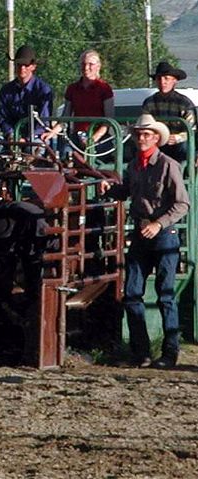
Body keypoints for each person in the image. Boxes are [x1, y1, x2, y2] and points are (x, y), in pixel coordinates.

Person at [100, 114, 189, 369]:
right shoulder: (134, 166)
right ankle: (141, 352)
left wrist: (158, 223)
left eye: (147, 134)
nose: (142, 138)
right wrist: (111, 189)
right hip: (142, 232)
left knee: (165, 295)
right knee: (132, 294)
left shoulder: (168, 165)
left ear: (156, 138)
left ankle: (169, 353)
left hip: (162, 233)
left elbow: (183, 203)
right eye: (139, 134)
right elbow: (127, 190)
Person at [42, 49, 114, 160]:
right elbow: (65, 118)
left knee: (92, 159)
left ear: (98, 66)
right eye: (83, 64)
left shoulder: (105, 89)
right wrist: (51, 133)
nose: (86, 68)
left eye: (90, 64)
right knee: (64, 156)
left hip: (99, 138)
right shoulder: (72, 89)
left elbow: (109, 120)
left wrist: (93, 139)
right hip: (76, 137)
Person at [0, 45, 53, 145]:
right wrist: (11, 135)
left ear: (33, 66)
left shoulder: (43, 90)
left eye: (26, 65)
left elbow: (43, 121)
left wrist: (26, 140)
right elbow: (3, 119)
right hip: (11, 138)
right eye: (19, 64)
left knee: (35, 148)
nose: (22, 68)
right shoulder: (5, 90)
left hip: (36, 138)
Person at [142, 61, 196, 164]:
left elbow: (192, 130)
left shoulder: (184, 103)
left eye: (166, 78)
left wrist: (177, 138)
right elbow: (144, 126)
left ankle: (180, 172)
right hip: (156, 143)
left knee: (184, 147)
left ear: (174, 81)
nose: (163, 82)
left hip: (178, 145)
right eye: (159, 78)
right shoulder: (149, 103)